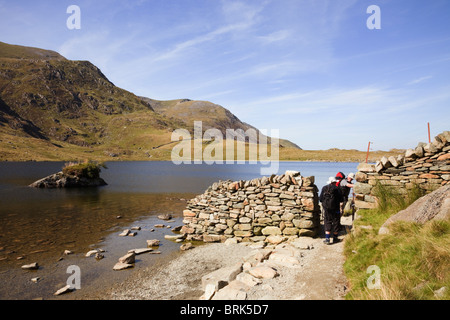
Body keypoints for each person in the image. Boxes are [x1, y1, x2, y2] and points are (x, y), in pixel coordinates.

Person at [319, 177, 344, 245]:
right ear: (335, 182)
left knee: (327, 221)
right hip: (335, 208)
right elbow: (341, 199)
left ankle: (327, 239)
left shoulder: (324, 188)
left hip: (327, 209)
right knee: (336, 222)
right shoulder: (337, 189)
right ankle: (335, 238)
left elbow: (321, 199)